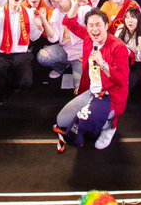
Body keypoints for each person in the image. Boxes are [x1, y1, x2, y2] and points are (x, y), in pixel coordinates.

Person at [52, 8, 130, 152]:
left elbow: (122, 79)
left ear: (106, 25)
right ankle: (97, 117)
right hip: (91, 92)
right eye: (91, 25)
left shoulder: (118, 47)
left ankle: (110, 126)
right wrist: (76, 5)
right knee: (61, 120)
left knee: (87, 124)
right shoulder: (89, 38)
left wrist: (103, 64)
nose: (94, 29)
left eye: (98, 24)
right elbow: (68, 22)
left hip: (110, 96)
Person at [0, 0, 47, 104]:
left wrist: (39, 29)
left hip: (22, 54)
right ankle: (2, 91)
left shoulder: (29, 13)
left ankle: (12, 84)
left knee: (26, 82)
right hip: (3, 54)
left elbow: (33, 38)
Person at [39, 0, 88, 86]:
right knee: (42, 56)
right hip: (66, 49)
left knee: (80, 87)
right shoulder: (55, 13)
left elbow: (94, 34)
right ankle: (61, 66)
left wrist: (88, 53)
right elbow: (53, 38)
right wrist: (44, 20)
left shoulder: (84, 8)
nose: (55, 0)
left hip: (82, 52)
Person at [116, 7, 141, 96]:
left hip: (140, 63)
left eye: (133, 17)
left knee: (127, 86)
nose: (130, 20)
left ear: (139, 19)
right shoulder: (120, 30)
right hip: (125, 62)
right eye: (127, 17)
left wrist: (140, 48)